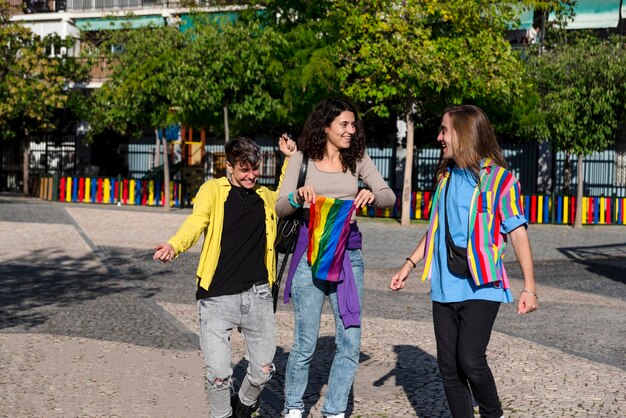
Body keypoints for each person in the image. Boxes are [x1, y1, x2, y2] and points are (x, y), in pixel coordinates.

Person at [389, 105, 539, 418]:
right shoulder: (445, 178)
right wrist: (408, 265)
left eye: (445, 130)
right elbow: (435, 230)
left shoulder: (501, 181)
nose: (439, 136)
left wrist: (530, 287)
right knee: (448, 367)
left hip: (483, 284)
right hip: (445, 285)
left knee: (470, 359)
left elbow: (518, 233)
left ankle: (492, 412)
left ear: (464, 134)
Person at [153, 136, 296, 418]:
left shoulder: (264, 197)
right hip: (217, 296)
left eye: (256, 169)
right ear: (229, 166)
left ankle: (243, 405)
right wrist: (174, 245)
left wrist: (289, 160)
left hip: (258, 295)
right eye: (244, 169)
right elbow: (196, 222)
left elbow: (282, 195)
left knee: (263, 370)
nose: (251, 175)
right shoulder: (212, 191)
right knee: (219, 374)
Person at [276, 97, 396, 418]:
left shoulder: (357, 159)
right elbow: (279, 207)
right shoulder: (301, 160)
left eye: (353, 124)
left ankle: (334, 411)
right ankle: (293, 407)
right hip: (309, 257)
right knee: (305, 342)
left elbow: (389, 196)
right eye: (344, 124)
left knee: (351, 341)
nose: (350, 130)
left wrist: (372, 195)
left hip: (349, 257)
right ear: (326, 126)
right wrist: (297, 195)